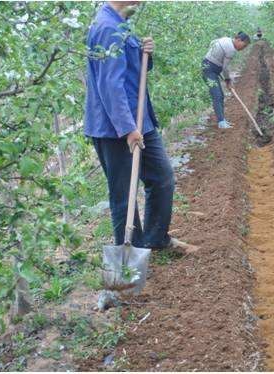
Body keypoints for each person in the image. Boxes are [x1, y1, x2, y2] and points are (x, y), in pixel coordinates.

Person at [84, 2, 191, 253]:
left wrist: (146, 54)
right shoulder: (107, 27)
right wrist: (127, 128)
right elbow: (110, 86)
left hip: (140, 120)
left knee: (162, 177)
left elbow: (134, 71)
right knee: (123, 194)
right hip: (115, 127)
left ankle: (155, 239)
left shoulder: (121, 25)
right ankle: (131, 254)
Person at [202, 32, 251, 129]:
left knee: (220, 95)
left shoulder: (226, 39)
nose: (243, 48)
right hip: (209, 70)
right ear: (238, 40)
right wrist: (228, 80)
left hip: (211, 68)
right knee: (217, 95)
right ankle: (221, 122)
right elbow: (225, 68)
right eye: (244, 45)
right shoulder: (231, 49)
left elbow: (212, 43)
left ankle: (222, 119)